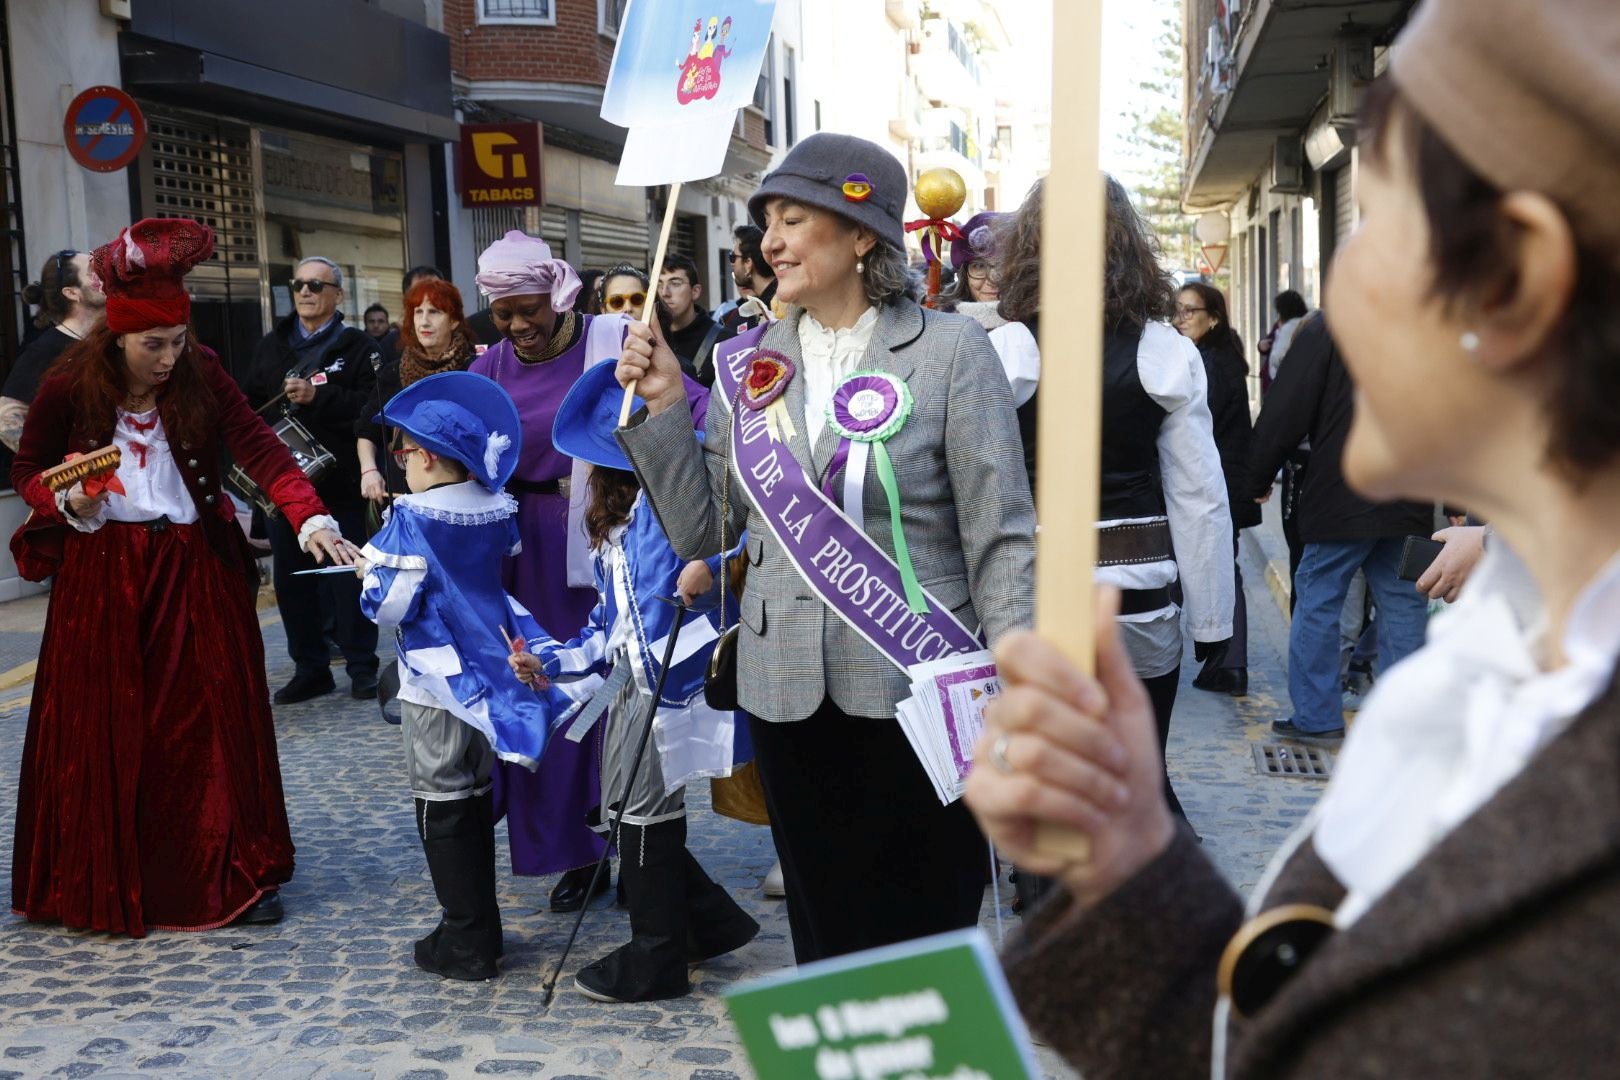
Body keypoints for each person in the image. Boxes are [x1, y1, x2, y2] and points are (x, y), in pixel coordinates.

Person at [972, 2, 1620, 1073]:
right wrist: (1132, 857)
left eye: (1370, 225)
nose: (1337, 290)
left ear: (1510, 279)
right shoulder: (1480, 664)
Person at [615, 132, 1036, 964]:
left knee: (927, 919)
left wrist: (1017, 669)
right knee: (823, 926)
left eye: (794, 218)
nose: (769, 241)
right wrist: (666, 403)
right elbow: (709, 533)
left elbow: (1001, 533)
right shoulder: (744, 364)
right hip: (785, 693)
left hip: (920, 680)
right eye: (766, 219)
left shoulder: (953, 352)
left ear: (861, 235)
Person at [9, 217, 356, 937]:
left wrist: (311, 519)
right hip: (102, 574)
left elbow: (262, 451)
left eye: (176, 340)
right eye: (152, 344)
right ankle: (115, 874)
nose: (168, 357)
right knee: (113, 727)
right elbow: (28, 468)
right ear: (117, 338)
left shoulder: (201, 372)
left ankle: (234, 871)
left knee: (208, 724)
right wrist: (65, 497)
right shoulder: (69, 384)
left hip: (195, 566)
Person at [991, 177, 1233, 828]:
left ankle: (1051, 886)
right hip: (1140, 594)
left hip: (1032, 594)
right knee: (1140, 762)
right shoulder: (1167, 350)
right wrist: (1213, 621)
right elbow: (1199, 496)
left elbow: (979, 489)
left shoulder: (1006, 350)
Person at [512, 360, 757, 1002]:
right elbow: (604, 621)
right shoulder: (611, 529)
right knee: (620, 809)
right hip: (628, 680)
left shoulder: (676, 498)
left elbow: (741, 532)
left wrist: (710, 565)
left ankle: (658, 956)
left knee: (642, 810)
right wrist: (554, 662)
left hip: (672, 673)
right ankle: (707, 922)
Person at [359, 370, 572, 981]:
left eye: (403, 450)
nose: (400, 461)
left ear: (426, 456)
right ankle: (479, 927)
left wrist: (367, 583)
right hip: (493, 662)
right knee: (474, 791)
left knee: (440, 792)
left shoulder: (411, 516)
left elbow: (391, 603)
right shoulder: (492, 506)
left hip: (434, 675)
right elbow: (499, 568)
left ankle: (466, 936)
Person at [468, 231, 629, 910]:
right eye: (503, 315)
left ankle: (619, 836)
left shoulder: (613, 342)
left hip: (595, 538)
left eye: (530, 309)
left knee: (599, 691)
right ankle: (565, 848)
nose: (518, 327)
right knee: (536, 692)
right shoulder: (487, 372)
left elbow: (690, 410)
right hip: (516, 551)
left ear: (558, 296)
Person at [1248, 314, 1431, 738]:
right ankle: (1407, 723)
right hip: (1410, 497)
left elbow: (1286, 407)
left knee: (1318, 599)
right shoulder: (1426, 322)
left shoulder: (1328, 327)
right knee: (1406, 603)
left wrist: (1255, 476)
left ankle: (1316, 717)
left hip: (1341, 498)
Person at [242, 255, 382, 704]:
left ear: (337, 295)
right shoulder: (273, 343)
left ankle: (363, 667)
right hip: (287, 485)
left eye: (316, 286)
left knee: (348, 577)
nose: (305, 292)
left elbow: (373, 407)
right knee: (293, 581)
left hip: (340, 483)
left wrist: (320, 396)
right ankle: (310, 668)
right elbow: (247, 404)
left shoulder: (358, 346)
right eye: (299, 284)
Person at [1176, 281, 1258, 696]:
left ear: (1214, 318)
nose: (1181, 317)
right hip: (1221, 484)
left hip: (1215, 486)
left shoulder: (1208, 363)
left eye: (1191, 311)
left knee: (1220, 569)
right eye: (1178, 309)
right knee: (1222, 567)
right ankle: (1225, 661)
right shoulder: (1219, 358)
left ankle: (1228, 661)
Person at [356, 279, 477, 501]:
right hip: (403, 492)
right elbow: (367, 431)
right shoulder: (393, 371)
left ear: (453, 321)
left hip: (462, 493)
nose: (424, 321)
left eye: (434, 312)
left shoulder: (474, 368)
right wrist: (369, 471)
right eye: (418, 312)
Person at [0, 250, 107, 451]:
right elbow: (7, 418)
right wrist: (58, 463)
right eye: (93, 272)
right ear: (72, 293)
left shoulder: (116, 338)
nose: (105, 274)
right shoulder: (46, 349)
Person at [656, 252, 720, 384]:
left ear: (695, 291)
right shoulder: (651, 337)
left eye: (675, 283)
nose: (664, 293)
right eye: (659, 284)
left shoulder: (722, 341)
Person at [941, 211, 1004, 316]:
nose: (992, 280)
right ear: (964, 276)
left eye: (1002, 266)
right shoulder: (941, 324)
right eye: (979, 266)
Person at [719, 223, 777, 333]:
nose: (731, 264)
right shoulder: (729, 319)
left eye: (733, 257)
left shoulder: (784, 306)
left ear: (748, 263)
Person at [1258, 288, 1309, 393]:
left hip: (1280, 386)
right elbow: (1270, 340)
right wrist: (1261, 346)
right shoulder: (1307, 324)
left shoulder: (1288, 328)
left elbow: (1277, 357)